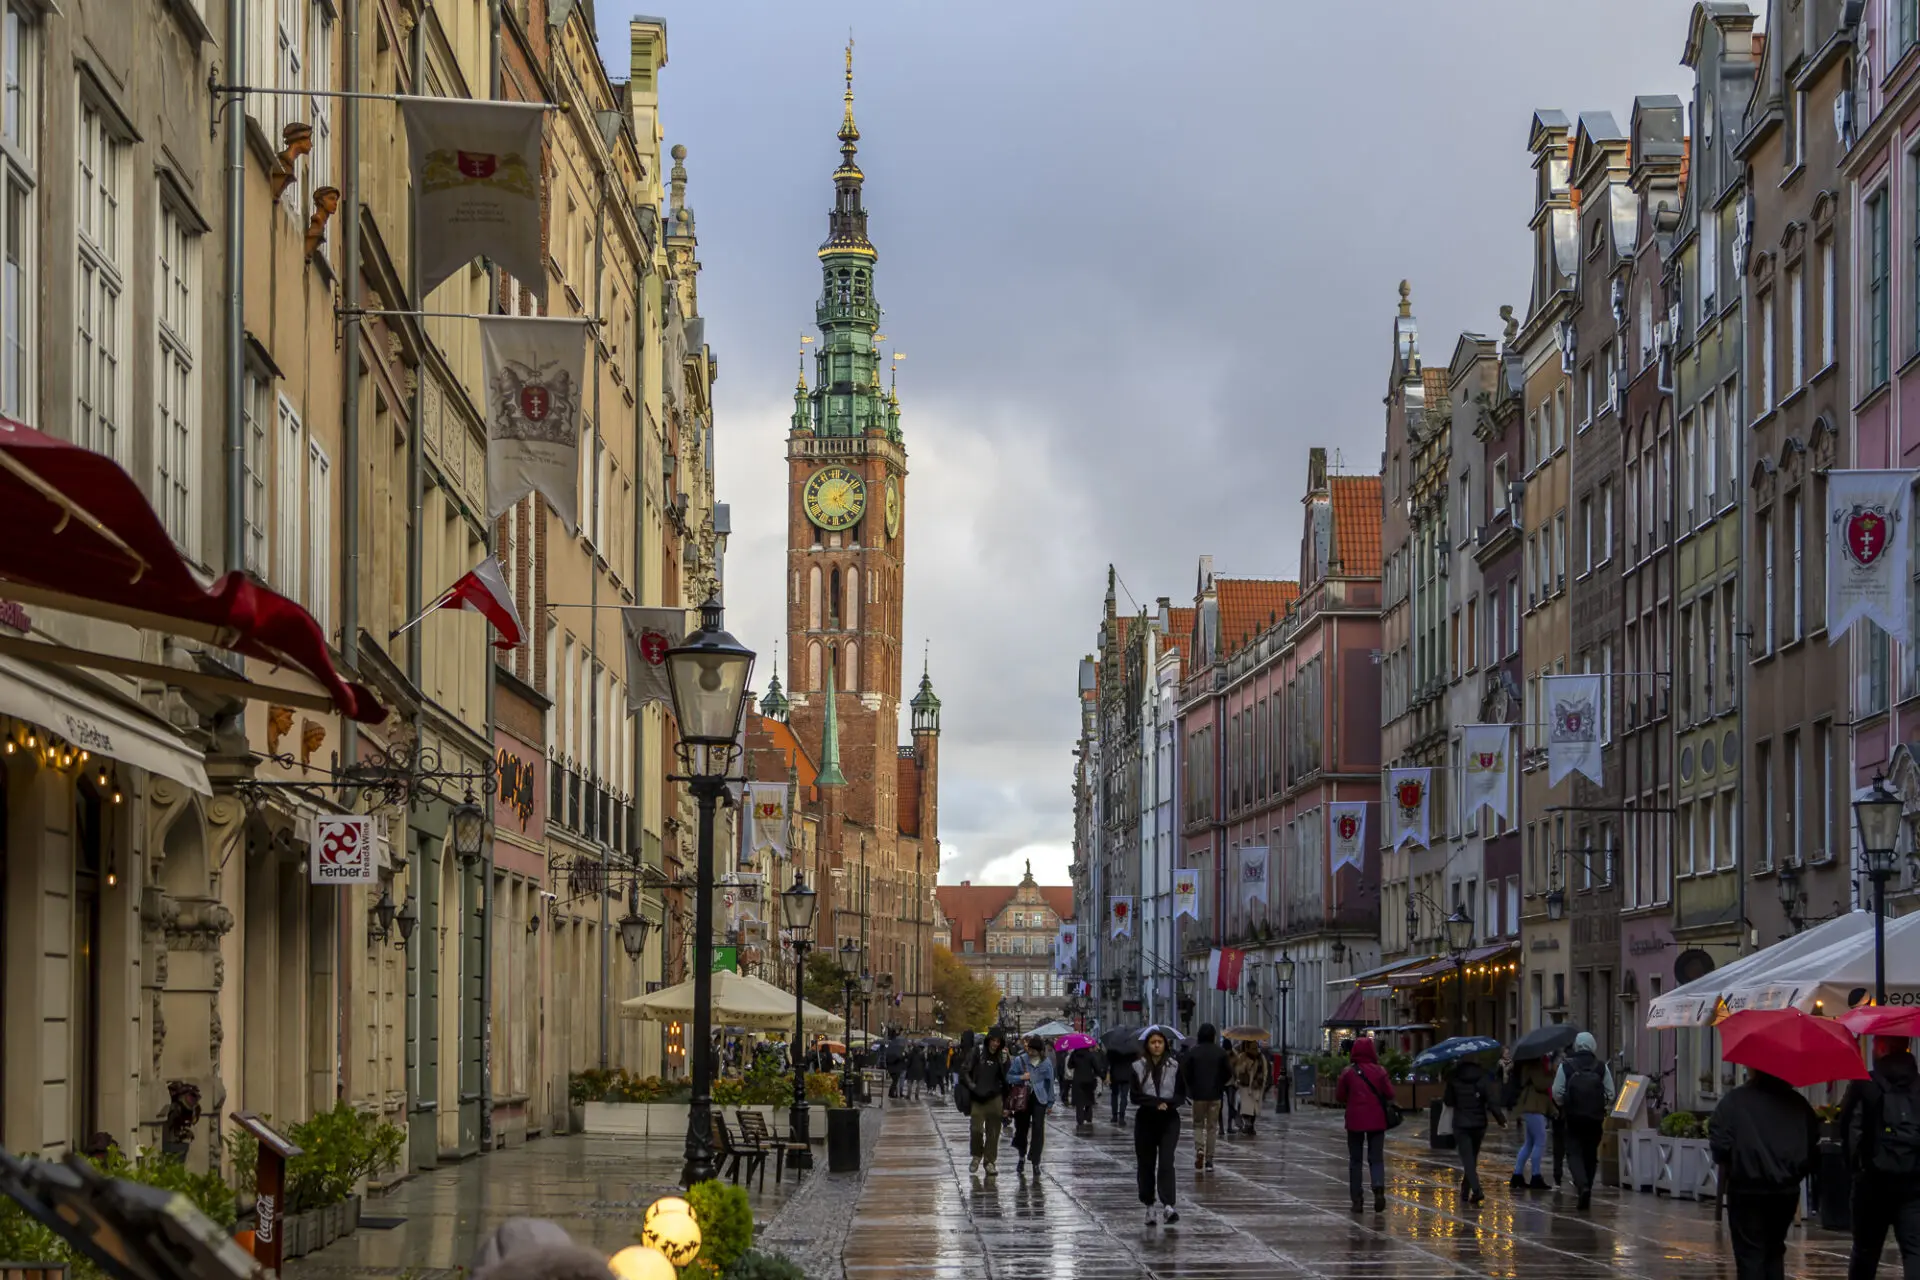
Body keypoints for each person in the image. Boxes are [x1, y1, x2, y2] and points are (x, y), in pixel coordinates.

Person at [1710, 1067, 1819, 1280]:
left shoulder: (1733, 1102)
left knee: (1750, 1255)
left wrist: (1736, 1164)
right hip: (1784, 1192)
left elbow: (1720, 1145)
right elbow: (1812, 1146)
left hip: (1746, 1189)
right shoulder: (1798, 1104)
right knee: (1774, 1251)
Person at [1841, 1034, 1920, 1280]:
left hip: (1872, 1183)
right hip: (1914, 1183)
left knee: (1865, 1251)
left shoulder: (1865, 1083)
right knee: (1915, 1250)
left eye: (1875, 1043)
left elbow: (1848, 1130)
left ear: (1883, 1047)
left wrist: (1856, 1169)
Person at [1551, 1031, 1615, 1210]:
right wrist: (1599, 1105)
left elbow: (1557, 1092)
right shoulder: (1601, 1067)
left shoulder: (1566, 1066)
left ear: (1577, 1046)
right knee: (1590, 1154)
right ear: (1593, 1046)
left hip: (1573, 1118)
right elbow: (1611, 1093)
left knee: (1573, 1152)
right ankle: (1588, 1186)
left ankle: (1582, 1185)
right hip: (1595, 1119)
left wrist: (1566, 1105)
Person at [1132, 1027, 1188, 1227]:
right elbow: (1134, 1095)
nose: (1156, 1045)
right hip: (1146, 1120)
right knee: (1146, 1164)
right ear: (1147, 1045)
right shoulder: (1138, 1066)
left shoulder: (1175, 1065)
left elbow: (1181, 1094)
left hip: (1169, 1120)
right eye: (1153, 1042)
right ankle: (1149, 1206)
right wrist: (1155, 1102)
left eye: (1160, 1042)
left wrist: (1169, 1104)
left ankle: (1168, 1206)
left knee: (1166, 1162)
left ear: (1165, 1045)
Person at [1334, 1036, 1393, 1213]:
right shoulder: (1380, 1071)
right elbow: (1390, 1093)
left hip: (1355, 1122)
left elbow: (1339, 1096)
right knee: (1376, 1158)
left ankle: (1357, 1199)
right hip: (1377, 1121)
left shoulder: (1348, 1072)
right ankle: (1378, 1187)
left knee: (1356, 1160)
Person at [1442, 1055, 1506, 1205]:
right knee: (1472, 1159)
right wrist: (1501, 1119)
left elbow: (1448, 1101)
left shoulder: (1454, 1077)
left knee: (1467, 1160)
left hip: (1461, 1125)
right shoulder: (1482, 1076)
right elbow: (1491, 1100)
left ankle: (1477, 1190)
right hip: (1479, 1125)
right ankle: (1465, 1190)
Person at [1180, 1024, 1231, 1172]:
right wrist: (1220, 1084)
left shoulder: (1193, 1052)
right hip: (1215, 1094)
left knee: (1197, 1124)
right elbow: (1228, 1072)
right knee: (1212, 1127)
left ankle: (1199, 1149)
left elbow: (1185, 1072)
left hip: (1198, 1095)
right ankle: (1209, 1160)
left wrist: (1192, 1087)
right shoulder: (1220, 1053)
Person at [963, 1030, 1011, 1176]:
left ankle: (990, 1161)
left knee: (993, 1132)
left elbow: (1007, 1079)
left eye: (998, 1042)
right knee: (976, 1129)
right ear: (988, 1040)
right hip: (978, 1097)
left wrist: (1007, 1103)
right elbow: (965, 1071)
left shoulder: (1003, 1056)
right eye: (993, 1040)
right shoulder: (977, 1052)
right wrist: (973, 1087)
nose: (995, 1044)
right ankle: (977, 1155)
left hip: (995, 1097)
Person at [1009, 1035, 1057, 1175]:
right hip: (1022, 1098)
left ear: (1040, 1051)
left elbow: (1050, 1083)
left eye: (1034, 1051)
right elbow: (1009, 1077)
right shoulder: (1020, 1060)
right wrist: (1020, 1077)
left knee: (1038, 1129)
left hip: (1039, 1098)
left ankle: (1036, 1160)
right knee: (1021, 1129)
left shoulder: (1046, 1063)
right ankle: (1021, 1156)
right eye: (1029, 1050)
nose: (1031, 1053)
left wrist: (1050, 1102)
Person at [1509, 1055, 1557, 1190]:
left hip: (1531, 1106)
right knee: (1540, 1141)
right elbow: (1541, 1084)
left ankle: (1517, 1175)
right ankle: (1536, 1176)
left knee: (1529, 1143)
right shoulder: (1535, 1066)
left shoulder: (1530, 1065)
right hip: (1534, 1107)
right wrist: (1552, 1073)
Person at [1233, 1041, 1270, 1136]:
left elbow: (1265, 1070)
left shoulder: (1261, 1057)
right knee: (1246, 1107)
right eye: (1251, 1047)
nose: (1253, 1049)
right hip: (1245, 1086)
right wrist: (1246, 1066)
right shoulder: (1243, 1056)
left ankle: (1250, 1125)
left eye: (1255, 1047)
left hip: (1256, 1086)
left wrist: (1263, 1083)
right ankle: (1247, 1125)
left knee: (1254, 1108)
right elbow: (1238, 1070)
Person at [1069, 1046, 1100, 1126]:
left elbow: (1070, 1066)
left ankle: (1080, 1119)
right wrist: (1101, 1076)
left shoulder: (1074, 1054)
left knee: (1079, 1102)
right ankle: (1088, 1117)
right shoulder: (1090, 1055)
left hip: (1077, 1080)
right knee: (1088, 1100)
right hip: (1088, 1080)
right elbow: (1096, 1067)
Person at [1106, 1047, 1133, 1125]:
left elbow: (1108, 1061)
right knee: (1124, 1097)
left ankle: (1114, 1116)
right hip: (1126, 1076)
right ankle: (1121, 1117)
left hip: (1115, 1075)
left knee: (1114, 1095)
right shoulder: (1130, 1049)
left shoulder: (1112, 1049)